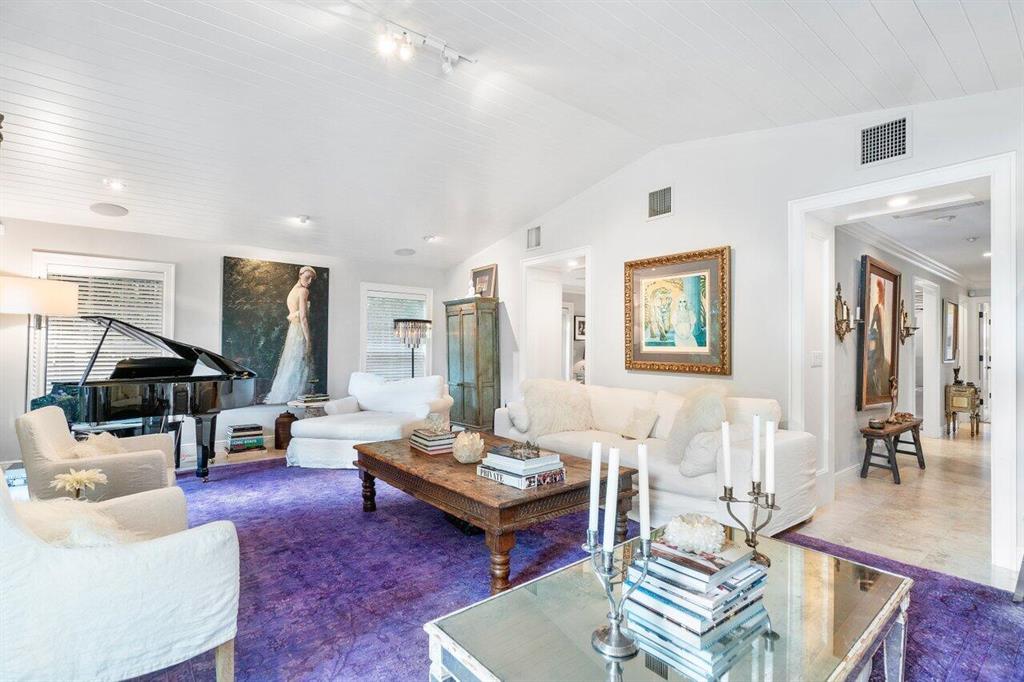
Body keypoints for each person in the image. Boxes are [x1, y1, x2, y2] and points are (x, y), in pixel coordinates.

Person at [264, 266, 316, 404]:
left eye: (312, 279)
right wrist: (308, 340)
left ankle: (284, 397)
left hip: (293, 330)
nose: (309, 281)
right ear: (300, 275)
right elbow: (303, 318)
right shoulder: (303, 291)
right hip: (300, 331)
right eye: (307, 277)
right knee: (299, 362)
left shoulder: (292, 291)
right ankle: (295, 398)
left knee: (291, 362)